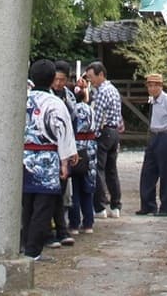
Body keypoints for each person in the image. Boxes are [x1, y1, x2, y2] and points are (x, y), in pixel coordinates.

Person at [22, 58, 76, 261]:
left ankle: (26, 244)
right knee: (43, 207)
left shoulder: (23, 99)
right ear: (53, 78)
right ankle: (33, 250)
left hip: (24, 157)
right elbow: (63, 131)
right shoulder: (54, 103)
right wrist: (65, 161)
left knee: (27, 205)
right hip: (48, 158)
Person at [136, 72, 167, 216]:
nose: (151, 89)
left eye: (154, 86)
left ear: (160, 86)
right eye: (149, 86)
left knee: (166, 173)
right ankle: (148, 205)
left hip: (166, 135)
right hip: (154, 135)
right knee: (148, 172)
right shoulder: (153, 101)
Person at [84, 61, 124, 218]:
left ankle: (100, 207)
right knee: (112, 170)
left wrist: (91, 134)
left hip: (104, 132)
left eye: (91, 77)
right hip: (114, 132)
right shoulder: (113, 90)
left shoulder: (101, 92)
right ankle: (116, 205)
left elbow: (97, 117)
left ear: (101, 75)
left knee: (99, 169)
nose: (90, 81)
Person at [49, 62, 78, 248]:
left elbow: (72, 124)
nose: (59, 83)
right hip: (49, 150)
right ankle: (53, 230)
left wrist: (71, 150)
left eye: (62, 79)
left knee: (61, 192)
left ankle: (62, 229)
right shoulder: (46, 97)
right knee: (48, 194)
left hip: (64, 148)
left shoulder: (70, 97)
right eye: (56, 79)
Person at [68, 94, 98, 235]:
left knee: (75, 189)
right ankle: (88, 223)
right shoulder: (92, 110)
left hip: (75, 148)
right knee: (88, 188)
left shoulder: (73, 109)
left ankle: (74, 224)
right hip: (90, 148)